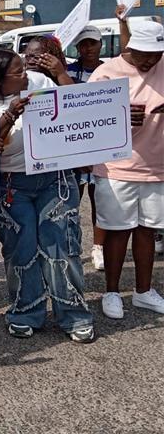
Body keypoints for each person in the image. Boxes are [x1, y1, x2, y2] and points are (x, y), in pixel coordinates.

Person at [0, 48, 95, 343]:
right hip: (10, 186)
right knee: (20, 249)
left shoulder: (40, 83)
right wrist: (11, 114)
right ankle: (25, 313)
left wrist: (60, 74)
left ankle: (74, 314)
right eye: (18, 72)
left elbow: (77, 106)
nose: (26, 75)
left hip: (54, 179)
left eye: (24, 68)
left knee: (61, 245)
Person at [89, 20, 164, 319]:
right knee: (117, 232)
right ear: (131, 48)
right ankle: (111, 291)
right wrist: (118, 115)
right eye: (146, 55)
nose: (151, 61)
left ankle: (144, 291)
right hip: (117, 167)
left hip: (157, 166)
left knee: (148, 230)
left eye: (157, 55)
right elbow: (86, 119)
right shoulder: (106, 73)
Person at [62, 25, 108, 270]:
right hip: (75, 144)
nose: (88, 48)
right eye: (83, 44)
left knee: (100, 199)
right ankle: (71, 245)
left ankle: (98, 247)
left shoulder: (110, 69)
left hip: (102, 143)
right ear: (77, 47)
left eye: (92, 43)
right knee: (72, 199)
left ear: (101, 44)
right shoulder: (67, 71)